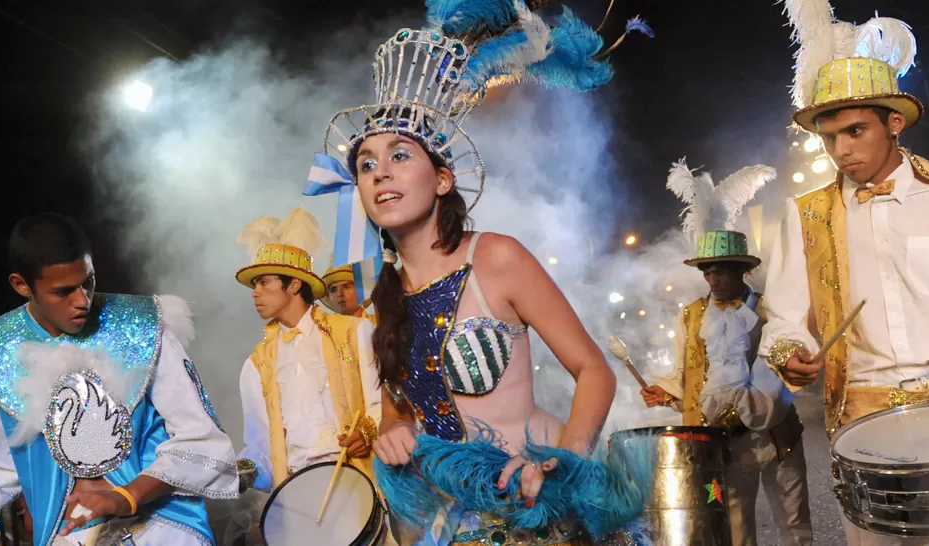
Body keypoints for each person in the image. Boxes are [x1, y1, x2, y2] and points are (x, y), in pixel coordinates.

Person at [305, 1, 655, 544]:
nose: (381, 174)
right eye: (367, 164)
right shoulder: (387, 292)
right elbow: (398, 409)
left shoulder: (495, 257)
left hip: (539, 510)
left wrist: (562, 462)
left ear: (443, 179)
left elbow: (594, 370)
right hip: (454, 524)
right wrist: (394, 433)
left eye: (400, 155)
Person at [761, 5, 929, 545]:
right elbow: (784, 316)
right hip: (861, 415)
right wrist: (788, 349)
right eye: (829, 137)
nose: (841, 150)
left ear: (894, 124)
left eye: (855, 131)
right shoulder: (806, 213)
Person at [0, 212, 238, 546]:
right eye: (63, 292)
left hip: (164, 528)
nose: (83, 300)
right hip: (62, 535)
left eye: (88, 281)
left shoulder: (146, 327)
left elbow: (203, 441)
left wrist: (127, 496)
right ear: (21, 285)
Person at [640, 158, 811, 546]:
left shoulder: (771, 311)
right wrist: (665, 391)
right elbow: (692, 372)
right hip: (724, 442)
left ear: (742, 272)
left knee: (794, 523)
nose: (712, 279)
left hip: (778, 435)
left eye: (720, 271)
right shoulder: (692, 316)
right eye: (707, 272)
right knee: (734, 529)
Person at [234, 210, 382, 490]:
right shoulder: (256, 364)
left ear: (294, 284)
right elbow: (262, 445)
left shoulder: (353, 331)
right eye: (255, 285)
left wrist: (368, 431)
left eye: (264, 282)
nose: (255, 292)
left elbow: (385, 403)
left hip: (359, 480)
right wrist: (243, 470)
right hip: (297, 494)